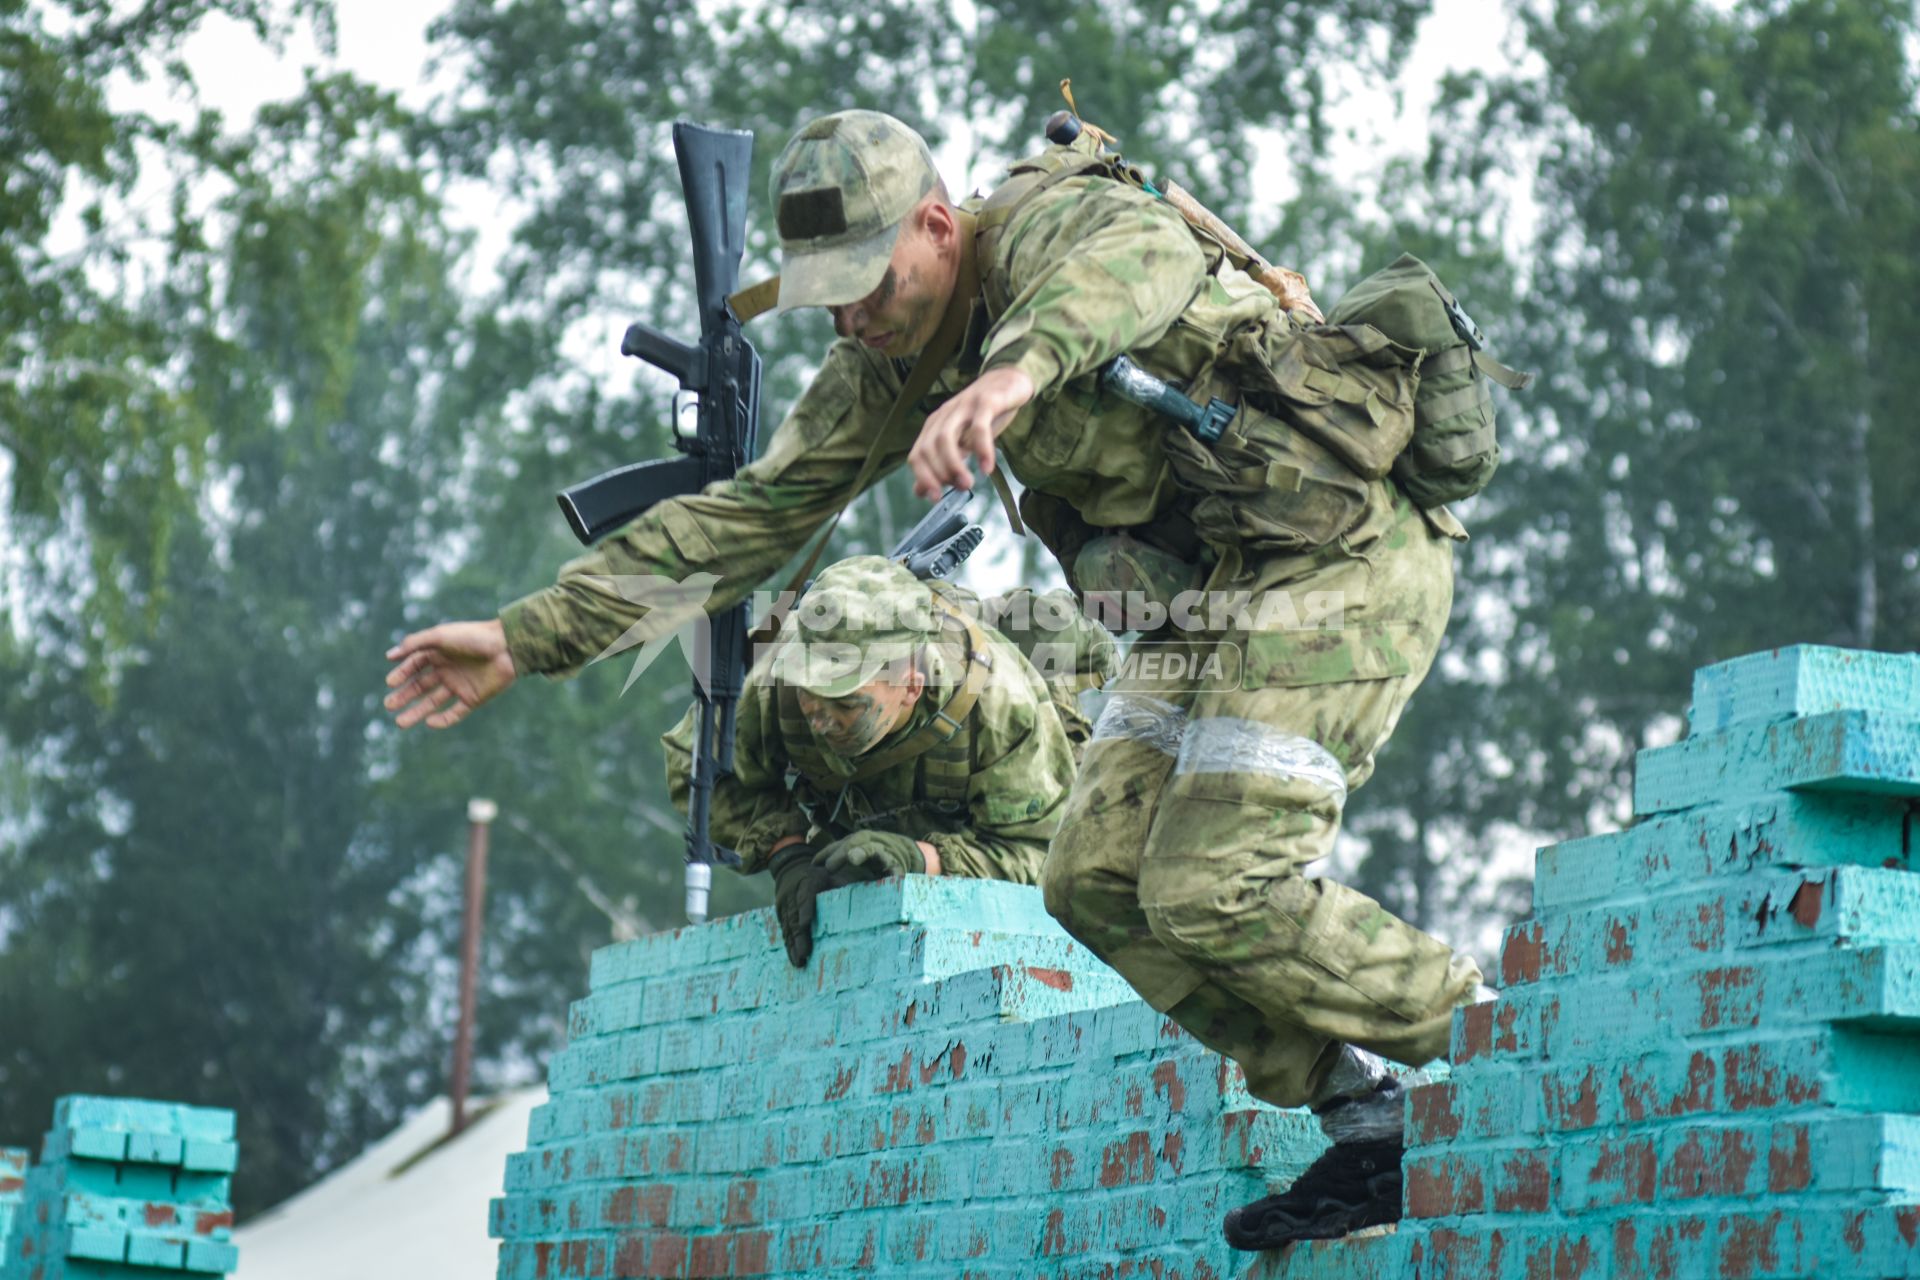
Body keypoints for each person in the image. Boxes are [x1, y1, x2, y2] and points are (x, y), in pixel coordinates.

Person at [383, 107, 1488, 1247]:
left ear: (936, 226)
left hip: (1334, 563)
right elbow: (749, 517)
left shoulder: (1052, 225)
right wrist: (528, 635)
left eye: (871, 281)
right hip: (1202, 604)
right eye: (833, 297)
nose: (856, 317)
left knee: (1215, 880)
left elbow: (1142, 264)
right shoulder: (883, 363)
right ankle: (1366, 1119)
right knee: (1094, 880)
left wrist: (1008, 378)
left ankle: (1502, 1039)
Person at [658, 556, 1078, 968]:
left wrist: (923, 860)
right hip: (849, 831)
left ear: (910, 688)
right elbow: (694, 762)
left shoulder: (998, 708)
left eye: (843, 700)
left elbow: (1043, 853)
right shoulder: (775, 675)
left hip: (974, 863)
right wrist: (787, 855)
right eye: (808, 690)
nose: (817, 716)